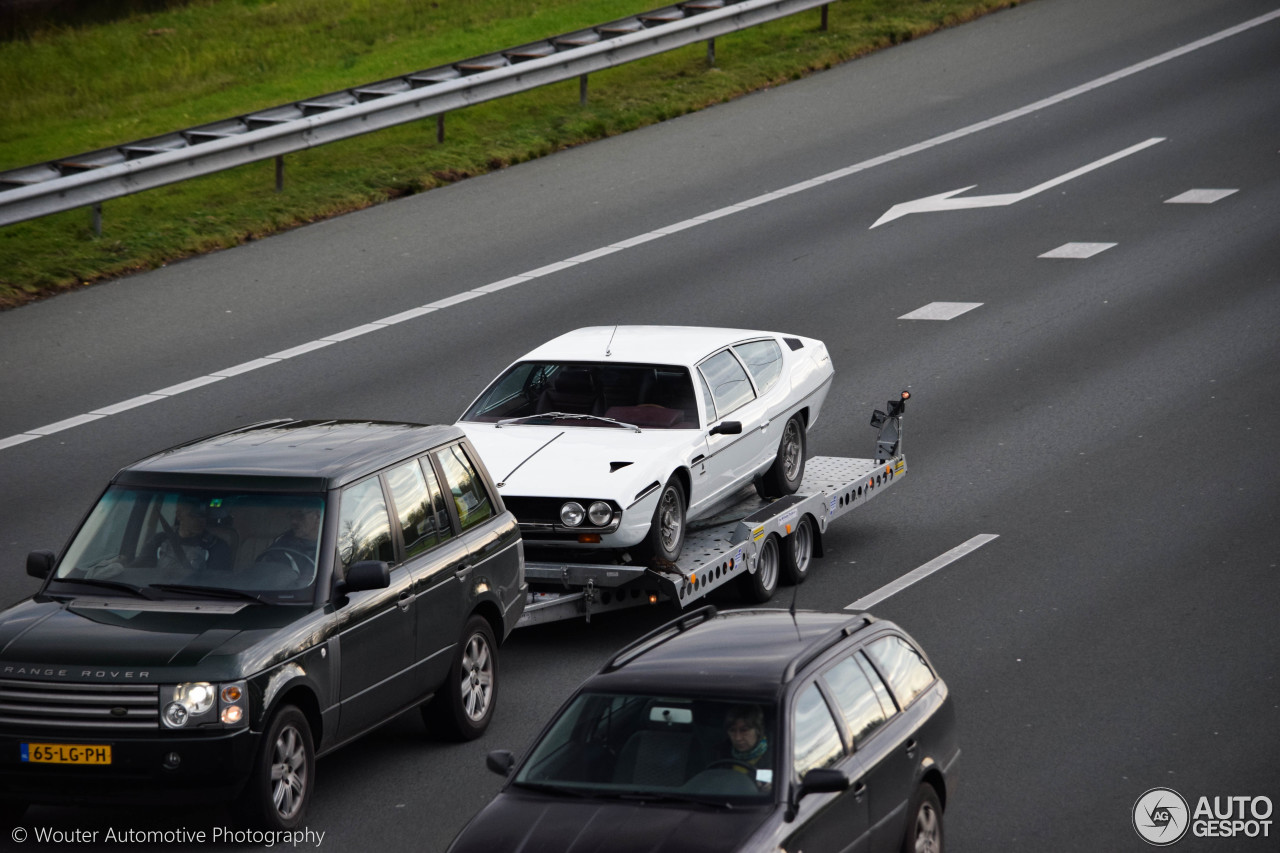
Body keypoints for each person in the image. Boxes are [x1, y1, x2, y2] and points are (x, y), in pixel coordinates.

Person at [149, 496, 232, 574]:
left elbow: (218, 583)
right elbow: (139, 571)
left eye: (203, 515)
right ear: (179, 515)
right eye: (193, 515)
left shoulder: (217, 546)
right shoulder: (159, 540)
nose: (200, 520)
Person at [722, 704, 772, 790]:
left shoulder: (777, 757)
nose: (738, 738)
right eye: (732, 730)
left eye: (744, 730)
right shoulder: (720, 755)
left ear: (758, 730)